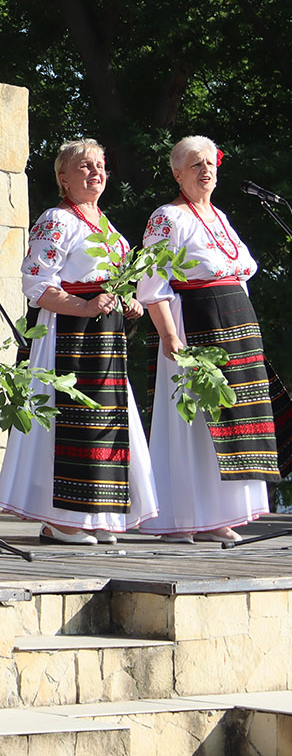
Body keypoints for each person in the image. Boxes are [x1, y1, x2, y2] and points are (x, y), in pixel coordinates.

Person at [0, 139, 158, 544]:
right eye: (85, 166)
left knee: (104, 421)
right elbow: (36, 283)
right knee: (71, 419)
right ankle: (62, 519)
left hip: (105, 336)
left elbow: (112, 282)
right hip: (69, 332)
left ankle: (98, 513)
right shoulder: (56, 220)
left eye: (100, 165)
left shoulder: (106, 226)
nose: (95, 172)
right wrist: (84, 306)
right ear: (63, 178)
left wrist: (128, 301)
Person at [137, 135, 280, 543]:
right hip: (194, 325)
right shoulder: (167, 217)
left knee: (232, 420)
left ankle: (220, 515)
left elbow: (239, 274)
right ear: (177, 174)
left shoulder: (220, 217)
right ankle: (186, 517)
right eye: (195, 163)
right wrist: (169, 334)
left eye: (210, 163)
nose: (205, 169)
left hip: (235, 327)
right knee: (198, 422)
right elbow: (152, 282)